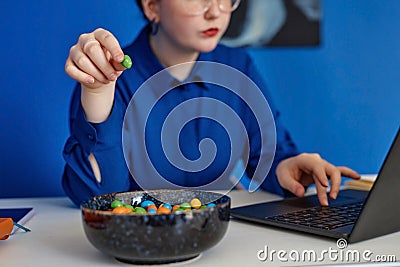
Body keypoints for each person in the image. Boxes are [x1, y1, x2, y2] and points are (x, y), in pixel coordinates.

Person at [63, 0, 360, 207]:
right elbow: (97, 195)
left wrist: (286, 167)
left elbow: (268, 154)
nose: (216, 11)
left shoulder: (238, 65)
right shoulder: (109, 75)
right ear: (152, 6)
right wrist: (99, 95)